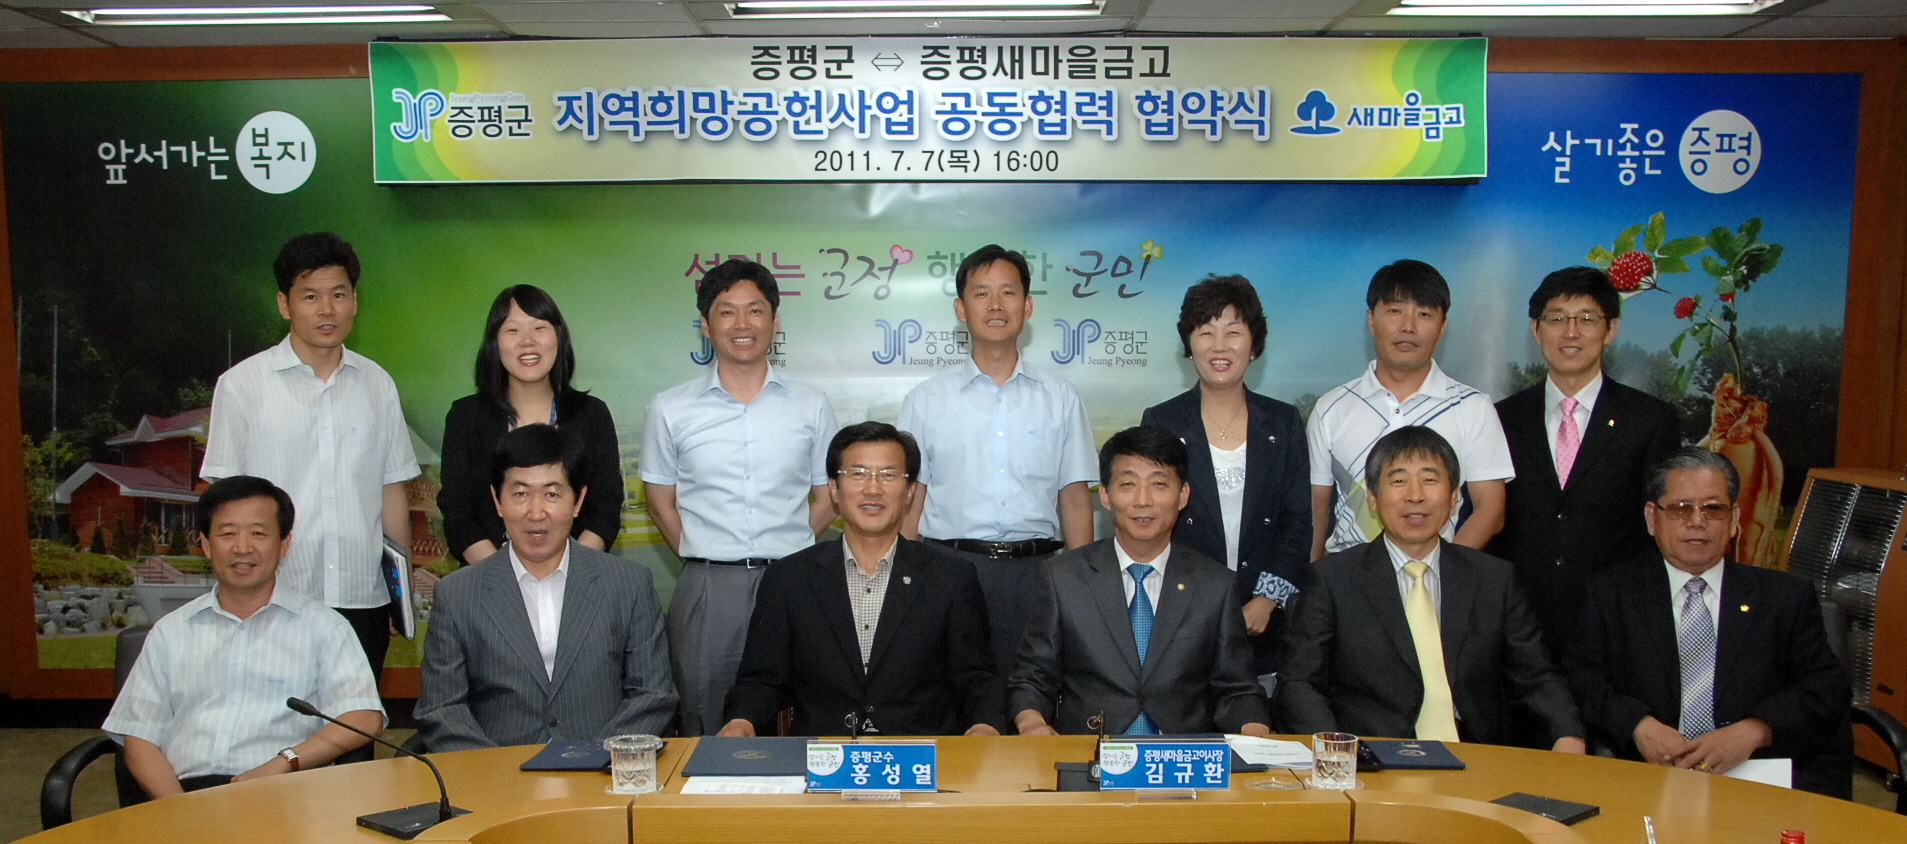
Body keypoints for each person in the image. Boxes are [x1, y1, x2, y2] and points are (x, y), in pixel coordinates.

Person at [1279, 426, 1585, 751]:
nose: (1415, 495)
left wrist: (1567, 734)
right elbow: (1300, 683)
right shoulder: (1332, 580)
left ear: (1454, 496)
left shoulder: (1493, 579)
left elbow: (1536, 676)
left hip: (1478, 758)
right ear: (1373, 498)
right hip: (1372, 758)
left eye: (1429, 479)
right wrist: (1337, 751)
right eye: (1399, 481)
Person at [1566, 447, 1850, 797]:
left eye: (1713, 509)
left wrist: (1755, 730)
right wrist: (1638, 725)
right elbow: (1584, 680)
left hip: (1755, 776)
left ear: (1734, 520)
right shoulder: (1609, 595)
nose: (1697, 521)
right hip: (1650, 779)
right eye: (1680, 508)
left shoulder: (1785, 597)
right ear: (1652, 518)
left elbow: (1825, 687)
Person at [200, 232, 419, 674]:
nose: (326, 310)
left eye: (338, 294)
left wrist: (403, 591)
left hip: (362, 598)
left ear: (354, 301)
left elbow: (391, 490)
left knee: (356, 714)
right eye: (310, 296)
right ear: (285, 304)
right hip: (274, 597)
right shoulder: (242, 385)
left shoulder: (378, 384)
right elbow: (222, 498)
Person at [639, 258, 838, 735]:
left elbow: (830, 496)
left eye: (755, 310)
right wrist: (706, 554)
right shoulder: (669, 408)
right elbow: (660, 502)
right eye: (727, 312)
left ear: (774, 320)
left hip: (794, 583)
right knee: (705, 718)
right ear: (705, 325)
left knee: (805, 716)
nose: (742, 324)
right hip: (709, 587)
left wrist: (791, 547)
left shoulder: (811, 404)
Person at [103, 476, 385, 798]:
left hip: (284, 794)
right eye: (228, 533)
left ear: (284, 545)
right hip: (185, 795)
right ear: (206, 545)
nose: (242, 548)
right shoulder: (171, 631)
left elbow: (364, 717)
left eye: (258, 533)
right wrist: (178, 809)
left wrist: (284, 762)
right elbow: (139, 737)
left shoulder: (325, 628)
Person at [719, 422, 1005, 737]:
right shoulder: (789, 579)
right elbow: (761, 681)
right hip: (823, 755)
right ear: (833, 489)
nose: (873, 489)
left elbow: (976, 678)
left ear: (910, 491)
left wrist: (984, 726)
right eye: (858, 474)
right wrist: (741, 722)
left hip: (920, 754)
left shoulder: (950, 577)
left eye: (888, 475)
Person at [898, 244, 1097, 682]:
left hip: (1038, 574)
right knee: (950, 697)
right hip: (949, 570)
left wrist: (1081, 585)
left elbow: (1075, 499)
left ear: (1027, 306)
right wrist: (906, 583)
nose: (995, 305)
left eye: (1008, 292)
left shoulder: (1060, 397)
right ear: (960, 308)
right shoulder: (926, 400)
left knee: (1033, 694)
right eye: (981, 293)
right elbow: (911, 501)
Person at [417, 424, 676, 750]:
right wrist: (493, 772)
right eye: (521, 494)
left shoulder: (628, 584)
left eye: (552, 494)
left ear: (578, 500)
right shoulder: (457, 594)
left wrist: (597, 758)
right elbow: (441, 708)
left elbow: (652, 694)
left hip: (603, 767)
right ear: (497, 500)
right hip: (498, 771)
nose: (536, 512)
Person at [1008, 425, 1272, 737]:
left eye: (1159, 484)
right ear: (1105, 495)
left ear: (1183, 495)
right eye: (1128, 484)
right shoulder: (1063, 577)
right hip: (1091, 752)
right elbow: (1032, 677)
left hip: (1181, 756)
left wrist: (1254, 728)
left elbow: (1238, 689)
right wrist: (1032, 722)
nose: (1143, 500)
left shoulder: (1215, 584)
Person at [1491, 266, 1680, 655]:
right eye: (1557, 319)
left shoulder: (1650, 420)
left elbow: (1659, 528)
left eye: (1587, 319)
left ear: (1610, 330)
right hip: (1518, 629)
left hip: (1615, 628)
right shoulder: (1501, 419)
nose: (1571, 332)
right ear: (1535, 329)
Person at [1141, 275, 1310, 690]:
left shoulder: (1283, 422)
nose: (1220, 346)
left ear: (1254, 344)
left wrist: (1266, 600)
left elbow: (1297, 521)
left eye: (1233, 332)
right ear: (1189, 344)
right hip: (1181, 617)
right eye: (1206, 332)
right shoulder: (1161, 421)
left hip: (1265, 622)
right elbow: (1150, 522)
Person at [1307, 259, 1512, 561]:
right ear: (1371, 320)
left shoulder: (1473, 408)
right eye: (1394, 311)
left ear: (1442, 327)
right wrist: (1314, 580)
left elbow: (1490, 511)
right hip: (1347, 579)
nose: (1408, 326)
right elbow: (1315, 510)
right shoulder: (1330, 409)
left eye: (1424, 314)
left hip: (1439, 580)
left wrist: (1443, 574)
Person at [439, 285, 623, 565]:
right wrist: (505, 578)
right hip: (489, 578)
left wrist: (567, 575)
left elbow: (606, 509)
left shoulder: (591, 414)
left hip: (577, 578)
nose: (527, 342)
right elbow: (458, 514)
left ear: (558, 337)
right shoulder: (466, 417)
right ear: (494, 342)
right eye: (512, 330)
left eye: (539, 328)